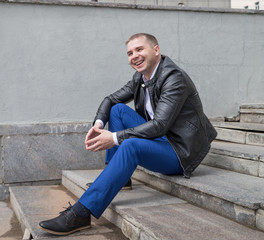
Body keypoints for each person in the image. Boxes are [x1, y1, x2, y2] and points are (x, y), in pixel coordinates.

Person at [38, 33, 217, 236]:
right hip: (161, 139)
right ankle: (121, 179)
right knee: (117, 110)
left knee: (130, 145)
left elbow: (159, 125)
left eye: (140, 49)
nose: (134, 56)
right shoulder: (140, 78)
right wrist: (98, 125)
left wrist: (113, 138)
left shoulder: (174, 78)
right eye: (130, 53)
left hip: (180, 152)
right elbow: (110, 100)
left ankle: (81, 214)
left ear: (156, 50)